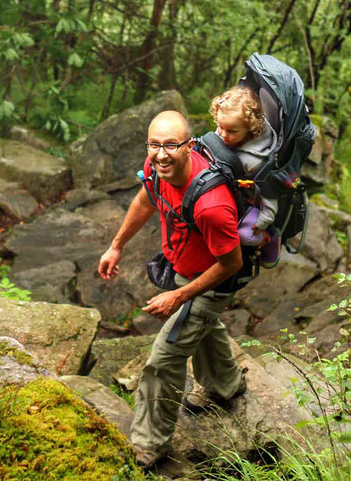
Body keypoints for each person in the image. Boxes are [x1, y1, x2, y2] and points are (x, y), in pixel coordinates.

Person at [98, 110, 247, 469]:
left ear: (189, 146)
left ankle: (148, 445)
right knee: (202, 328)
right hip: (182, 269)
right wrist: (116, 245)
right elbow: (144, 201)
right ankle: (225, 385)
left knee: (162, 360)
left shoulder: (212, 204)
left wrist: (179, 296)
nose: (161, 154)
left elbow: (232, 264)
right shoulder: (155, 169)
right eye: (154, 145)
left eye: (170, 145)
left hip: (213, 282)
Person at [210, 86, 281, 268]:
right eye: (220, 127)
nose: (223, 135)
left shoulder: (255, 161)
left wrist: (265, 219)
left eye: (231, 131)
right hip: (235, 192)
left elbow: (270, 191)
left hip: (253, 202)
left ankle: (271, 238)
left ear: (250, 128)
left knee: (244, 236)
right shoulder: (229, 130)